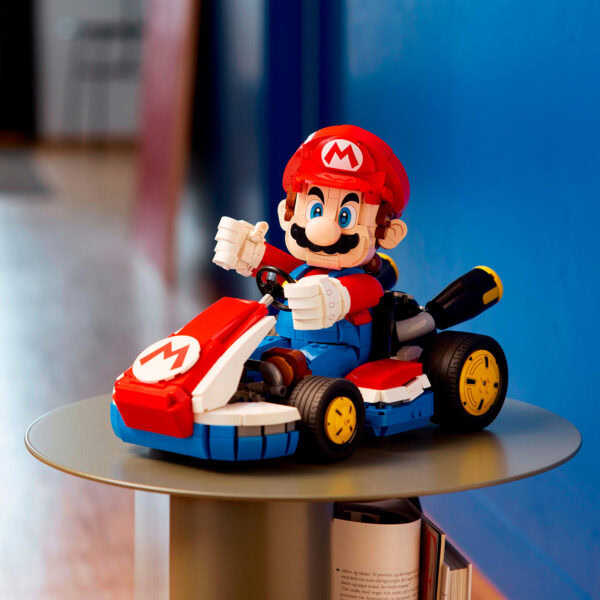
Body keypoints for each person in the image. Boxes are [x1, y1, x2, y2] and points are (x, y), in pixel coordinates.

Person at [213, 124, 410, 379]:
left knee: (293, 368)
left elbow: (361, 292)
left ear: (388, 233)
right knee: (242, 357)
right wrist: (245, 250)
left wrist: (332, 297)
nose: (322, 229)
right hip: (285, 338)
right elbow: (277, 269)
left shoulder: (365, 283)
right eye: (315, 210)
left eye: (346, 217)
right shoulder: (300, 270)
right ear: (287, 212)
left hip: (340, 347)